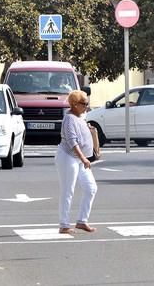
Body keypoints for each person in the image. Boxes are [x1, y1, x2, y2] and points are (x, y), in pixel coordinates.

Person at [55, 90, 98, 234]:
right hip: (68, 157)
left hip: (80, 160)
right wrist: (83, 158)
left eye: (87, 103)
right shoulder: (69, 119)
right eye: (84, 103)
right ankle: (64, 224)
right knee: (68, 190)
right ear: (74, 104)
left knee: (91, 188)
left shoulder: (80, 116)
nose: (87, 106)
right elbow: (72, 141)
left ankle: (82, 221)